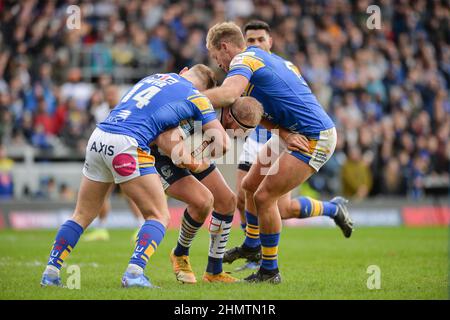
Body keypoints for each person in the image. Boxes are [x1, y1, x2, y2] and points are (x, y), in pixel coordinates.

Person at [40, 64, 229, 288]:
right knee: (158, 215)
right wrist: (198, 160)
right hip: (128, 144)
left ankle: (50, 273)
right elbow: (223, 142)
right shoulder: (197, 98)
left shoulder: (154, 77)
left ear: (184, 71)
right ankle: (134, 273)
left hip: (100, 136)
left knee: (81, 214)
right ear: (204, 90)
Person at [204, 22, 354, 284]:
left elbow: (227, 94)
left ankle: (270, 271)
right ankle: (252, 245)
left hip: (313, 137)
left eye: (216, 57)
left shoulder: (244, 60)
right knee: (249, 187)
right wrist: (283, 132)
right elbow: (262, 111)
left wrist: (186, 99)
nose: (218, 64)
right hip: (290, 133)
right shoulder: (267, 63)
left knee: (265, 198)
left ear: (225, 47)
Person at [153, 95, 264, 284]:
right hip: (163, 157)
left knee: (227, 202)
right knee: (202, 201)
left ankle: (214, 271)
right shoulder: (202, 114)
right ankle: (180, 254)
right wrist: (192, 162)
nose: (243, 135)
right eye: (243, 129)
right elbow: (164, 138)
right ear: (229, 117)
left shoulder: (220, 125)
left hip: (193, 158)